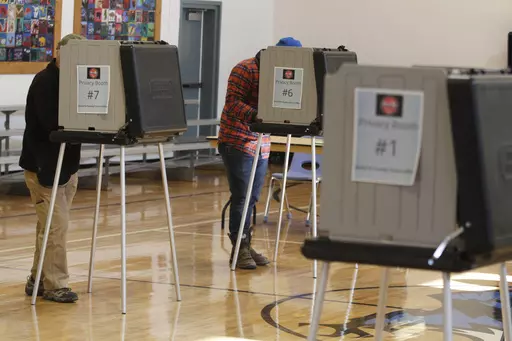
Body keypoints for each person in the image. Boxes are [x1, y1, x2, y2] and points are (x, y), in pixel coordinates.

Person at [218, 37, 303, 269]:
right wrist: (259, 116)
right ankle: (239, 246)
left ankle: (246, 244)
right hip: (237, 140)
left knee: (253, 198)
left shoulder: (284, 73)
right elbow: (232, 104)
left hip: (262, 142)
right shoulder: (245, 69)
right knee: (242, 197)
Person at [20, 33, 86, 303]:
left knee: (47, 228)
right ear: (58, 52)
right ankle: (55, 284)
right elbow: (51, 124)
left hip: (67, 167)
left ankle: (37, 278)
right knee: (57, 227)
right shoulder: (45, 81)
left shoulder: (77, 81)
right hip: (44, 166)